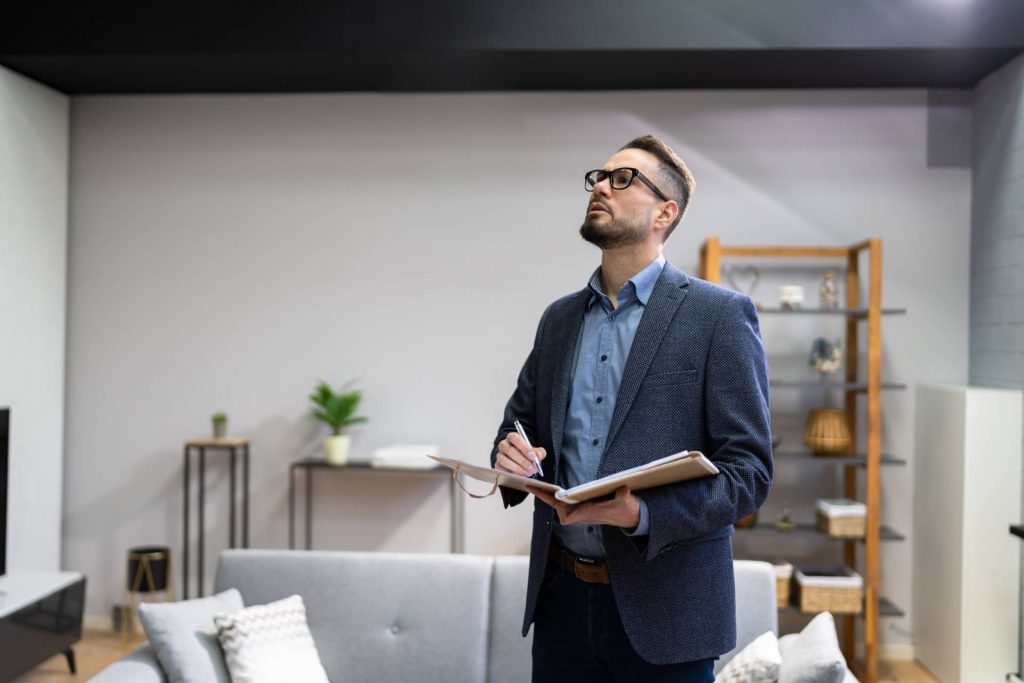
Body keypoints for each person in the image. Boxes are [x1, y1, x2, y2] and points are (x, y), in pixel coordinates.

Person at [490, 135, 773, 682]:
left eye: (622, 179)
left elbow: (750, 473)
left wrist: (643, 515)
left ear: (666, 212)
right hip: (561, 604)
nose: (600, 185)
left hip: (669, 612)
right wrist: (512, 457)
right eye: (599, 176)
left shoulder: (720, 316)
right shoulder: (559, 319)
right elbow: (517, 425)